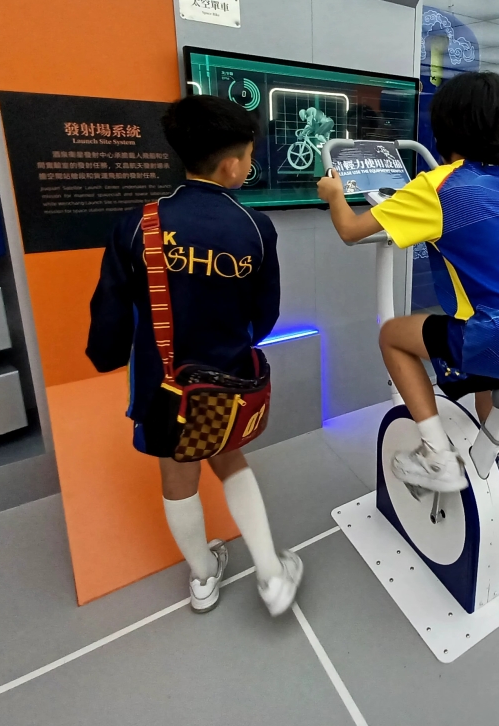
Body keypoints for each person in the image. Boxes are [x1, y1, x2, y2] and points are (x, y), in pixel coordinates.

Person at [316, 71, 499, 544]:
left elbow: (351, 230)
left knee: (392, 335)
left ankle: (437, 456)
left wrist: (334, 194)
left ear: (444, 126)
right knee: (489, 394)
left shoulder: (435, 186)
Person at [86, 94, 302, 618]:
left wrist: (106, 355)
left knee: (177, 475)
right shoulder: (255, 228)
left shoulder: (138, 225)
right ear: (231, 165)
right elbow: (265, 316)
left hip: (161, 383)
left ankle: (203, 576)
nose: (248, 164)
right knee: (230, 459)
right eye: (248, 156)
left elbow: (109, 310)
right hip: (227, 375)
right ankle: (272, 575)